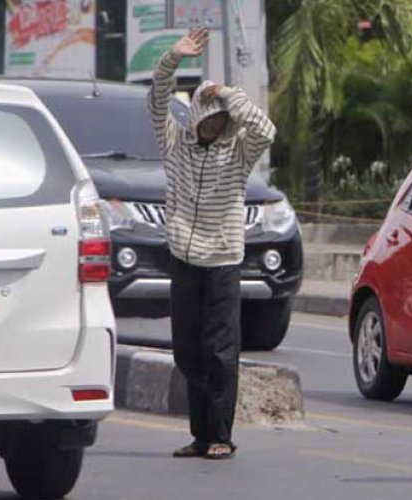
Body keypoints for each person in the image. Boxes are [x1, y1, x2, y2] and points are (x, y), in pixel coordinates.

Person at [147, 27, 276, 460]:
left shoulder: (238, 152)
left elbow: (266, 129)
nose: (216, 124)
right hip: (184, 258)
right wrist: (173, 58)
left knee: (221, 351)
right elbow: (158, 98)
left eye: (223, 119)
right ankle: (200, 435)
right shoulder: (174, 145)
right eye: (211, 116)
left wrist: (230, 93)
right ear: (197, 114)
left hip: (223, 262)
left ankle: (221, 435)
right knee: (188, 349)